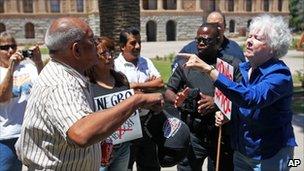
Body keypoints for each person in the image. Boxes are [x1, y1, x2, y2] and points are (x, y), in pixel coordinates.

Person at [17, 17, 164, 170]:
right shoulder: (60, 83)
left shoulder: (72, 75)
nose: (96, 44)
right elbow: (81, 133)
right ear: (77, 50)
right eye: (91, 40)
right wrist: (136, 101)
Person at [181, 14, 297, 171]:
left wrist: (209, 70)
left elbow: (250, 98)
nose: (249, 40)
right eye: (249, 36)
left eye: (257, 38)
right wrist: (228, 115)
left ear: (272, 47)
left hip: (271, 154)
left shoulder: (279, 74)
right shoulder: (244, 69)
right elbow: (240, 103)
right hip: (242, 152)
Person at [164, 23, 242, 171]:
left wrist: (216, 102)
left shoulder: (231, 65)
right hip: (193, 134)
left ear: (218, 41)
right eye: (198, 40)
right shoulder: (185, 65)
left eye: (206, 40)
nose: (200, 43)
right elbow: (168, 92)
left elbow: (242, 96)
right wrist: (179, 101)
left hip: (220, 134)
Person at [114, 27, 164, 171]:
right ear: (122, 46)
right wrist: (148, 88)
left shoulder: (146, 62)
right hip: (126, 126)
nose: (138, 46)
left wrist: (135, 85)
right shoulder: (116, 67)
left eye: (139, 43)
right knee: (125, 166)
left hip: (147, 123)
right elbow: (119, 92)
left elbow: (160, 83)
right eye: (133, 43)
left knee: (150, 166)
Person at [85, 36, 132, 171]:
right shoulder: (87, 85)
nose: (109, 57)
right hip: (99, 150)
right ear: (92, 57)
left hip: (123, 146)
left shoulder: (121, 79)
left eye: (111, 52)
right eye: (103, 54)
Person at [0, 31, 43, 171]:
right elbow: (3, 97)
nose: (10, 50)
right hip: (8, 137)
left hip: (32, 134)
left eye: (13, 46)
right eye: (5, 47)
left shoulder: (29, 68)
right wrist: (11, 69)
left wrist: (38, 61)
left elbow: (45, 87)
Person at [172, 11, 245, 71]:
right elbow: (176, 69)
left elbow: (242, 75)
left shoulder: (234, 50)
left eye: (218, 25)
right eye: (211, 25)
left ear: (225, 27)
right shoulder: (190, 49)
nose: (215, 29)